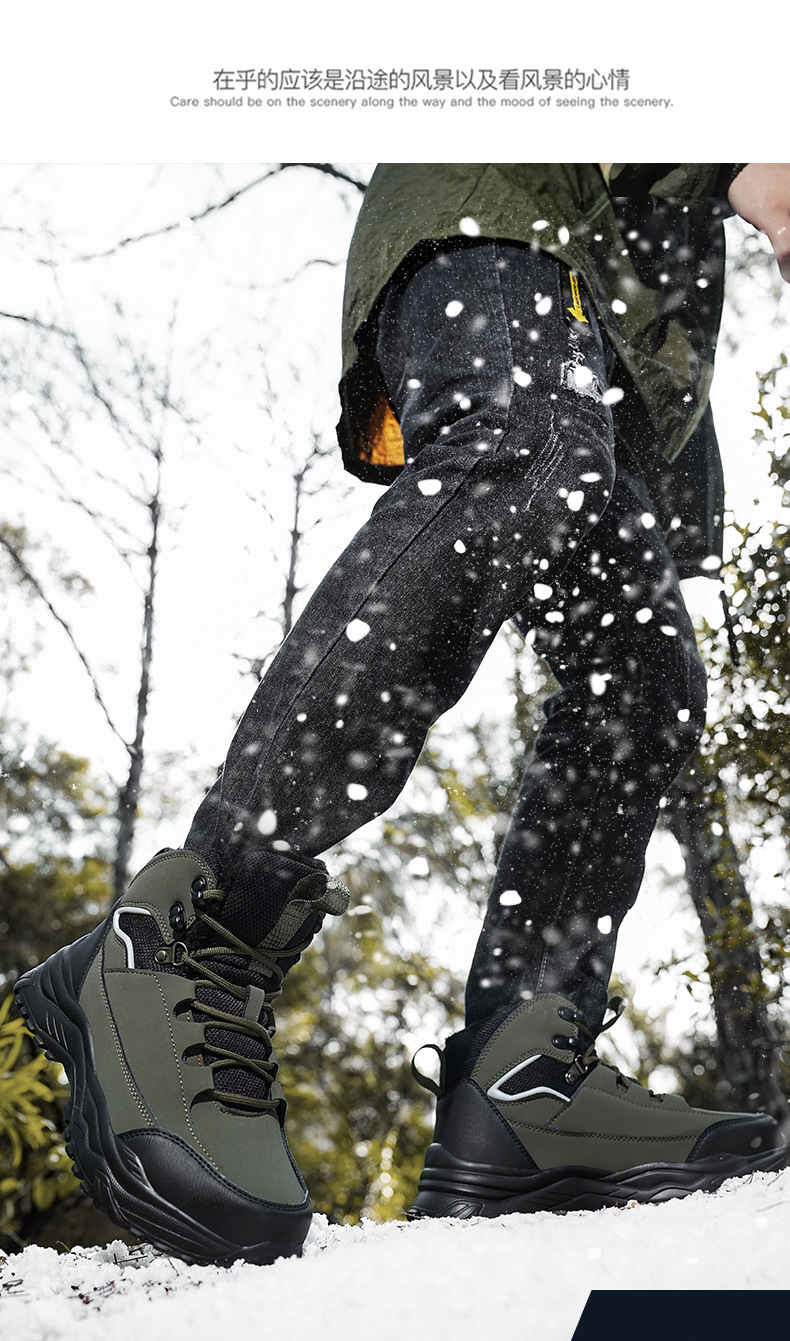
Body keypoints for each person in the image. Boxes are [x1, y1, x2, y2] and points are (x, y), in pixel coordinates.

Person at [15, 164, 789, 1265]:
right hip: (510, 200)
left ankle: (523, 1083)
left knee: (644, 672)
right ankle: (193, 931)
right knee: (528, 444)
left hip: (628, 319)